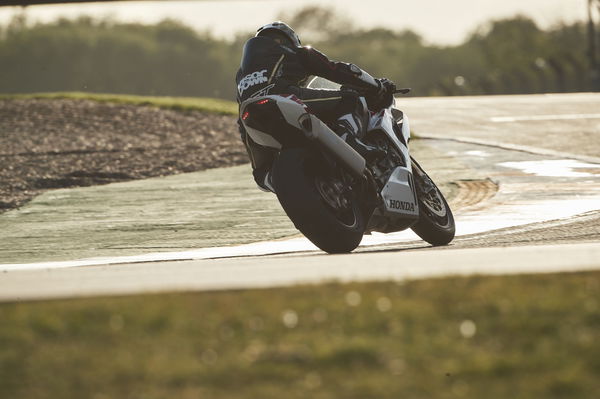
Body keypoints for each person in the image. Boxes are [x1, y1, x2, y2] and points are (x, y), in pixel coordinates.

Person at [235, 21, 396, 192]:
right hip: (284, 96)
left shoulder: (242, 76)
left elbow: (241, 118)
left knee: (262, 173)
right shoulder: (296, 52)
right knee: (351, 99)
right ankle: (349, 140)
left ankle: (273, 178)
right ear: (288, 40)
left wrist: (260, 171)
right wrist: (377, 86)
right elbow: (339, 70)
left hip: (251, 116)